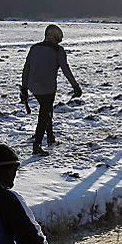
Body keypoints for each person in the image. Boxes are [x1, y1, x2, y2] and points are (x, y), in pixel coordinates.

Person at [21, 24, 82, 156]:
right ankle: (37, 145)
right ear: (57, 37)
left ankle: (50, 137)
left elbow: (26, 69)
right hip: (47, 87)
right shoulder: (58, 50)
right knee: (45, 113)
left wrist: (24, 88)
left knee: (47, 109)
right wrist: (75, 86)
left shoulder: (34, 48)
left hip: (33, 86)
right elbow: (66, 70)